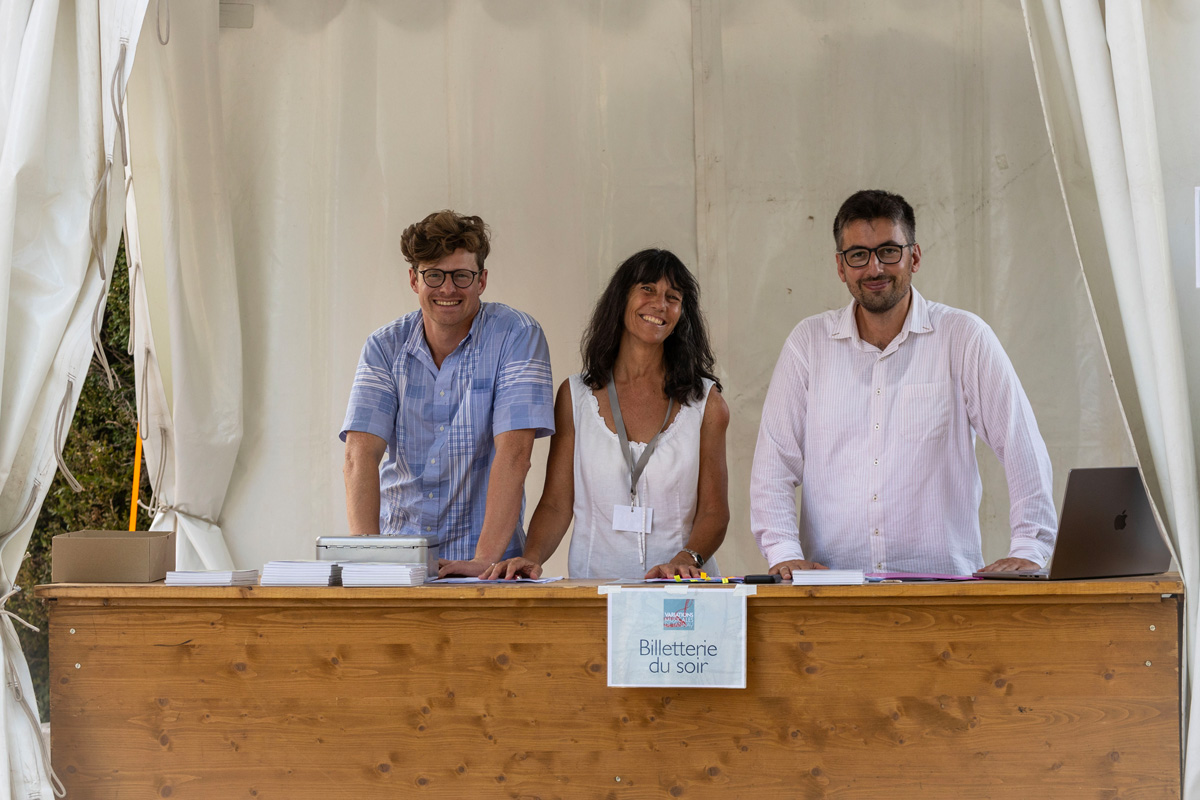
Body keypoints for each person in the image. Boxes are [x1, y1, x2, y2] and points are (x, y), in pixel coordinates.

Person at [750, 189, 1057, 578]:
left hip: (943, 588)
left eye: (889, 251)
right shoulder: (808, 344)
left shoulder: (964, 337)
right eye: (858, 255)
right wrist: (782, 550)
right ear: (841, 267)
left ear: (915, 257)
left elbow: (1021, 444)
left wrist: (1030, 547)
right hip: (834, 588)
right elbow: (774, 462)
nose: (875, 268)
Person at [481, 249, 730, 580]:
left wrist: (686, 559)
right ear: (621, 298)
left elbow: (714, 511)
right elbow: (556, 503)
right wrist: (531, 557)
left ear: (681, 314)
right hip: (594, 590)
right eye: (647, 289)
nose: (660, 304)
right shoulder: (575, 396)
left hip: (680, 593)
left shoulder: (706, 403)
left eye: (673, 297)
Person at [340, 210, 554, 577]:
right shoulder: (383, 346)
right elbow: (359, 455)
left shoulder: (517, 335)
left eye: (461, 276)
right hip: (401, 564)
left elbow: (515, 454)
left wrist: (484, 560)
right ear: (414, 279)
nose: (448, 289)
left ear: (482, 280)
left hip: (488, 568)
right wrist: (368, 559)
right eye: (434, 275)